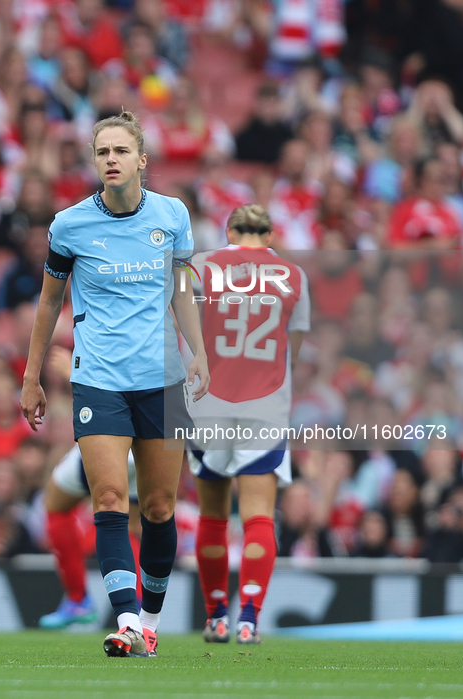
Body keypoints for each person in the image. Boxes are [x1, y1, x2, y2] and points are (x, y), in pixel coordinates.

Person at [20, 111, 209, 658]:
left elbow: (181, 290)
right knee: (107, 498)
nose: (110, 160)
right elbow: (49, 302)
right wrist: (31, 377)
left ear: (141, 160)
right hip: (99, 380)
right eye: (102, 151)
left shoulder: (172, 215)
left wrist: (199, 354)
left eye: (120, 151)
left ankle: (149, 621)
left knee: (157, 507)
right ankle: (126, 620)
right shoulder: (69, 225)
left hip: (164, 381)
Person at [187, 204, 310, 644]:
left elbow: (182, 327)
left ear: (228, 230)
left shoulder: (201, 266)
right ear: (271, 234)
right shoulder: (293, 276)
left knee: (213, 516)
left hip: (208, 404)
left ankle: (216, 615)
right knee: (258, 516)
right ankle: (249, 619)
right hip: (264, 404)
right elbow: (291, 348)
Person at [36, 346, 141, 630]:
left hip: (113, 434)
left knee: (56, 505)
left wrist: (72, 374)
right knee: (130, 524)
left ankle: (78, 598)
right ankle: (140, 609)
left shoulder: (115, 329)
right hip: (150, 440)